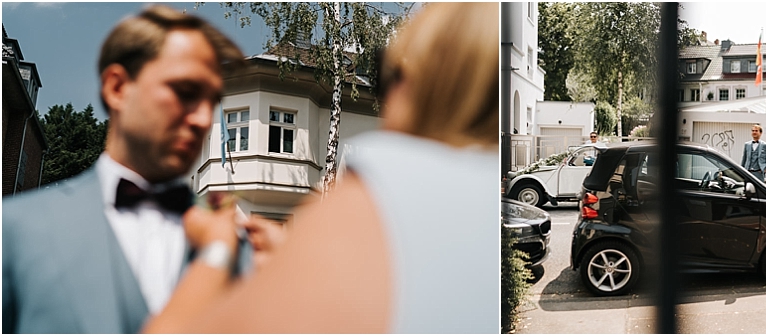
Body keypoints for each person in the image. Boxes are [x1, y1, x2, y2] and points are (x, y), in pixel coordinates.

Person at [142, 3, 499, 333]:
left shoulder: (388, 181)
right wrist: (297, 258)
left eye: (387, 72)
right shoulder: (487, 192)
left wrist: (216, 249)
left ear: (420, 82)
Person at [2, 6, 253, 333]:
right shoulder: (15, 230)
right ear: (117, 88)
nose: (204, 119)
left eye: (211, 102)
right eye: (185, 93)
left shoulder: (239, 245)